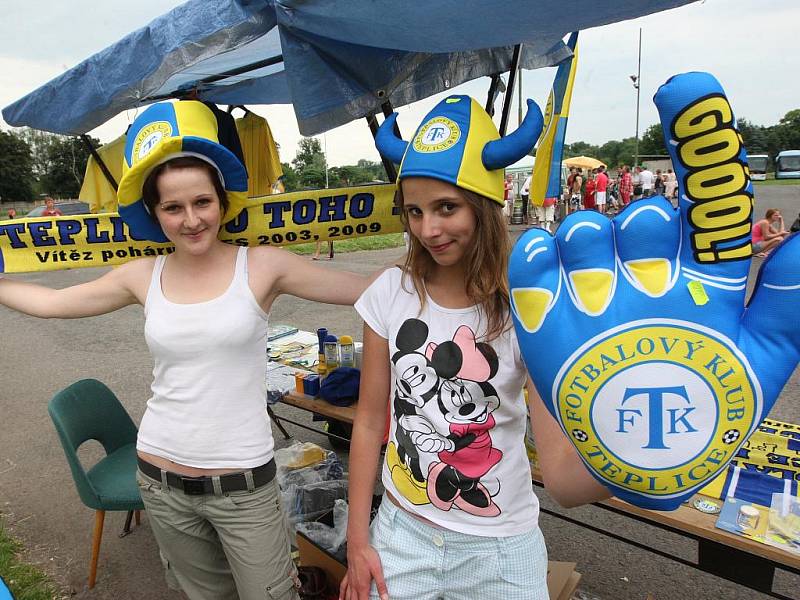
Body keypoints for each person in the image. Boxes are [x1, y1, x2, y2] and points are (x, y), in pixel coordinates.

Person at [0, 101, 370, 600]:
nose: (192, 220)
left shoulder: (261, 266)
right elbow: (52, 303)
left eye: (203, 202)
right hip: (161, 483)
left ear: (222, 201)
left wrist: (455, 259)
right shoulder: (142, 275)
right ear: (155, 212)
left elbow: (367, 288)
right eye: (173, 207)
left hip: (245, 489)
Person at [342, 95, 609, 600]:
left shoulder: (527, 308)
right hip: (400, 535)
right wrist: (359, 539)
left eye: (447, 207)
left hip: (502, 551)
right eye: (415, 211)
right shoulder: (389, 292)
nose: (428, 230)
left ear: (485, 206)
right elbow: (370, 421)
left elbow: (562, 479)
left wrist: (640, 468)